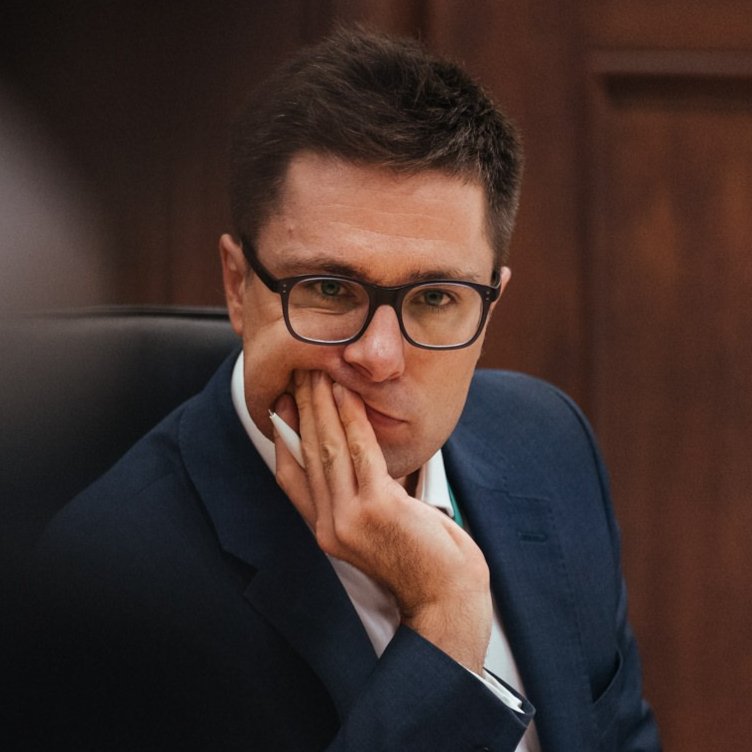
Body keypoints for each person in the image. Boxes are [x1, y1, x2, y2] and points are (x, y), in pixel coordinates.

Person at [26, 28, 660, 752]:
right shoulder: (108, 584)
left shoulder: (550, 442)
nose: (379, 356)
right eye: (329, 289)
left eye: (436, 298)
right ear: (237, 285)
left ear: (489, 311)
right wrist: (447, 623)